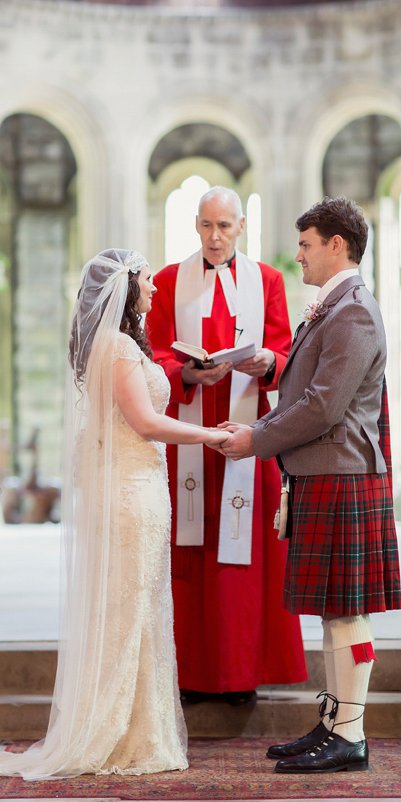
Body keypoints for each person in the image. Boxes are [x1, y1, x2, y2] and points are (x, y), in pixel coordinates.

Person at [0, 249, 229, 779]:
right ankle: (111, 732)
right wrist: (211, 436)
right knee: (127, 611)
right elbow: (145, 424)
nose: (153, 290)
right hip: (131, 491)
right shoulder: (119, 346)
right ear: (125, 290)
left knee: (142, 608)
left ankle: (137, 729)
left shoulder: (120, 344)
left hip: (140, 486)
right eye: (146, 282)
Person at [218, 196, 400, 775]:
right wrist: (271, 366)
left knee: (346, 610)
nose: (298, 256)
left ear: (336, 245)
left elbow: (325, 405)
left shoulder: (354, 310)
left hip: (342, 471)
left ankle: (350, 732)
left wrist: (256, 437)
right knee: (331, 608)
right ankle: (334, 722)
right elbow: (313, 378)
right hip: (324, 472)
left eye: (305, 245)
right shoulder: (335, 306)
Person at [147, 187, 306, 703]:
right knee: (191, 551)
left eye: (225, 227)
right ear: (195, 225)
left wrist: (267, 364)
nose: (215, 237)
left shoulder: (269, 281)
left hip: (246, 433)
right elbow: (153, 357)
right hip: (188, 436)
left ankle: (241, 673)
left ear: (241, 227)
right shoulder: (170, 281)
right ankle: (192, 672)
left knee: (243, 556)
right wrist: (188, 372)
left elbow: (286, 354)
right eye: (206, 226)